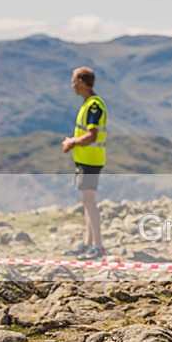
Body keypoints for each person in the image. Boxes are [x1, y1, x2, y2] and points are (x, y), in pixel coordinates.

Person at [61, 66, 108, 260]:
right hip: (85, 159)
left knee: (89, 202)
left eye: (74, 80)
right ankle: (88, 244)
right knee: (87, 202)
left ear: (81, 82)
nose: (72, 84)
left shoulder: (93, 105)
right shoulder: (89, 104)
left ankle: (98, 246)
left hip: (90, 160)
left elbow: (91, 135)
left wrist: (72, 142)